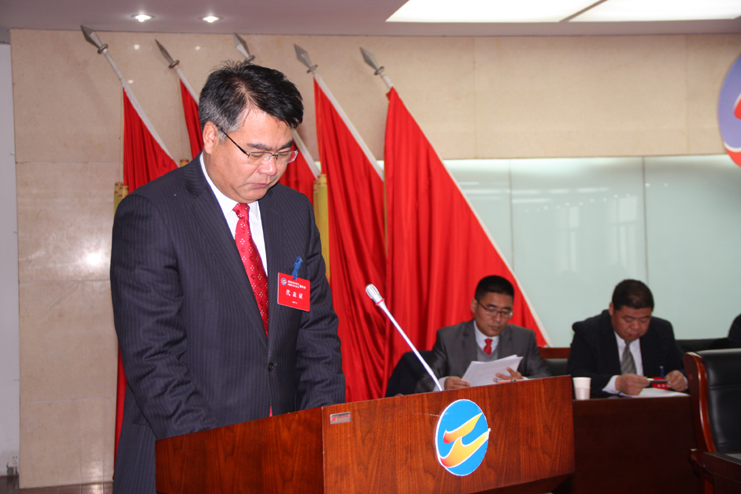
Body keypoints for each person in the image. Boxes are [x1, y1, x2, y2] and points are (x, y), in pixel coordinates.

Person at [110, 62, 345, 493]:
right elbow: (154, 359)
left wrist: (318, 436)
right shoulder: (153, 214)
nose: (270, 169)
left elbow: (317, 337)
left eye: (283, 152)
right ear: (211, 136)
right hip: (190, 460)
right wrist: (220, 460)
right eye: (255, 152)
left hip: (286, 458)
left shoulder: (293, 213)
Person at [416, 275, 551, 393]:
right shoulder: (449, 338)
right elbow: (423, 384)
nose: (497, 319)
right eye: (491, 310)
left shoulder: (523, 338)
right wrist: (444, 384)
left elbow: (545, 378)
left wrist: (523, 382)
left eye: (505, 312)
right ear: (474, 305)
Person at [568, 279, 686, 396]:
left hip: (654, 406)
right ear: (612, 309)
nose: (636, 327)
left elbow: (685, 368)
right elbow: (576, 377)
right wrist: (617, 384)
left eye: (644, 320)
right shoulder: (589, 332)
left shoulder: (661, 330)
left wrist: (682, 378)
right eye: (628, 320)